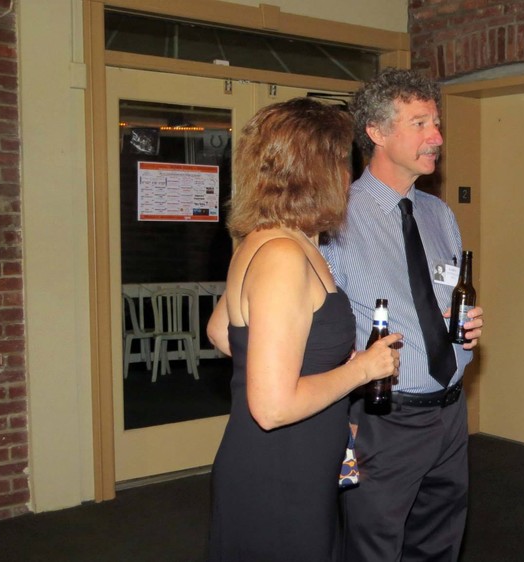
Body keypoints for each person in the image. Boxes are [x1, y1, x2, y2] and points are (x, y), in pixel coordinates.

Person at [204, 98, 402, 561]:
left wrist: (310, 365)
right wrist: (362, 370)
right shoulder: (282, 256)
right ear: (318, 171)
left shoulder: (273, 238)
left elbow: (220, 331)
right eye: (342, 162)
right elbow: (272, 408)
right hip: (277, 473)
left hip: (298, 461)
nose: (349, 176)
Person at [322, 68, 484, 562]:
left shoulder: (439, 215)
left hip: (450, 413)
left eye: (436, 124)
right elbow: (317, 331)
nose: (437, 137)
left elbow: (438, 294)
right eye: (420, 124)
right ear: (376, 132)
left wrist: (461, 325)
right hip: (382, 420)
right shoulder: (336, 219)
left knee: (439, 545)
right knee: (373, 548)